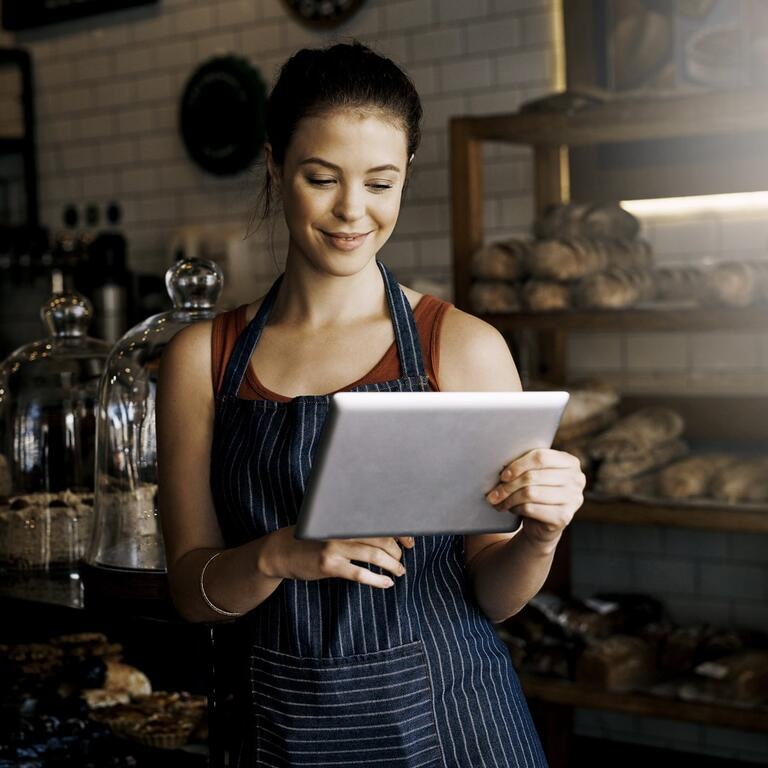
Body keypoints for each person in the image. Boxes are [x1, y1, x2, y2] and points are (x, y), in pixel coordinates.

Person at [157, 40, 585, 768]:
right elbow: (191, 594)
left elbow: (494, 594)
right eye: (321, 178)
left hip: (454, 723)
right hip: (278, 729)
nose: (352, 210)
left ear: (406, 174)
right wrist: (279, 554)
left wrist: (540, 536)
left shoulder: (464, 348)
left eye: (381, 182)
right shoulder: (203, 358)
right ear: (275, 165)